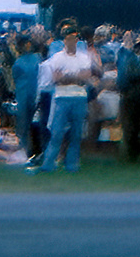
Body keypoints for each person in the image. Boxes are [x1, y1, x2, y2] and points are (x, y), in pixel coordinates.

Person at [36, 24, 96, 174]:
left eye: (74, 39)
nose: (71, 42)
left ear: (77, 40)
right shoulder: (57, 58)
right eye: (68, 39)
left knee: (76, 134)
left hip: (79, 98)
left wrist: (67, 76)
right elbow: (56, 78)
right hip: (62, 98)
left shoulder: (83, 57)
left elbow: (86, 77)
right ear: (64, 41)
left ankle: (72, 165)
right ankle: (48, 164)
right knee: (57, 133)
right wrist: (75, 77)